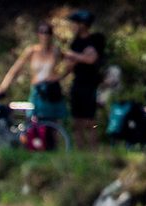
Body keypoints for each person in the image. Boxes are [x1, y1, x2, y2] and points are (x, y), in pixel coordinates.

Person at [0, 21, 68, 123]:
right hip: (38, 91)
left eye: (47, 32)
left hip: (52, 90)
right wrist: (3, 86)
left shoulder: (56, 51)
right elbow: (15, 69)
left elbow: (71, 60)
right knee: (35, 122)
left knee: (54, 125)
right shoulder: (32, 51)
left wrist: (60, 76)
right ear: (38, 34)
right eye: (42, 32)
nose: (45, 35)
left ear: (51, 35)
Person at [63, 9, 106, 149]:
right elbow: (70, 64)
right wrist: (79, 57)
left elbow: (91, 59)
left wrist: (74, 56)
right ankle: (80, 149)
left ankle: (94, 148)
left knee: (91, 120)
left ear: (82, 24)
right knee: (76, 120)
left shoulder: (96, 39)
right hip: (77, 83)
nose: (72, 26)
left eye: (74, 23)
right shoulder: (75, 43)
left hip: (91, 84)